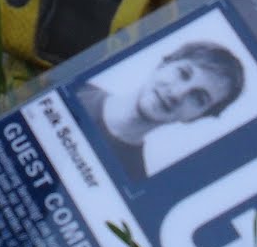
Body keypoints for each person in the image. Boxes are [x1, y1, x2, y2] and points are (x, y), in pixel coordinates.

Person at [76, 39, 245, 181]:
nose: (177, 94)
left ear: (198, 117)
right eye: (183, 73)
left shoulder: (131, 179)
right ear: (163, 64)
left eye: (198, 98)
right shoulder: (73, 86)